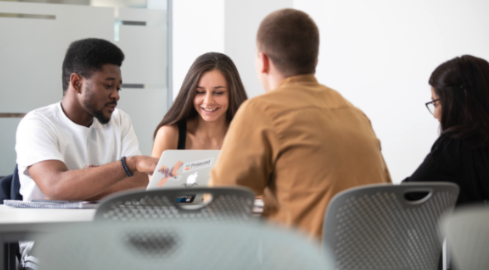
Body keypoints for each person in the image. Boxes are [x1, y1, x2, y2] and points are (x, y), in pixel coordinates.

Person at [209, 9, 391, 240]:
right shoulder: (356, 114)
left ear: (263, 61)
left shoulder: (260, 111)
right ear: (314, 61)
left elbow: (219, 204)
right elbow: (386, 194)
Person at [16, 38, 158, 202]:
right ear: (77, 83)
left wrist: (75, 192)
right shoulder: (38, 124)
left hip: (102, 225)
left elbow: (140, 181)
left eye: (118, 88)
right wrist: (129, 164)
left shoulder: (120, 120)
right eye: (108, 85)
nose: (116, 95)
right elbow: (55, 186)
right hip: (48, 226)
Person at [404, 55, 489, 206]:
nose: (436, 115)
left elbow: (408, 195)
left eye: (436, 104)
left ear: (456, 101)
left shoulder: (455, 146)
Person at [151, 52, 248, 158]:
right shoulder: (169, 135)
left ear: (233, 94)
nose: (208, 101)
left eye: (218, 92)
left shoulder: (249, 135)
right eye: (200, 92)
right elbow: (155, 175)